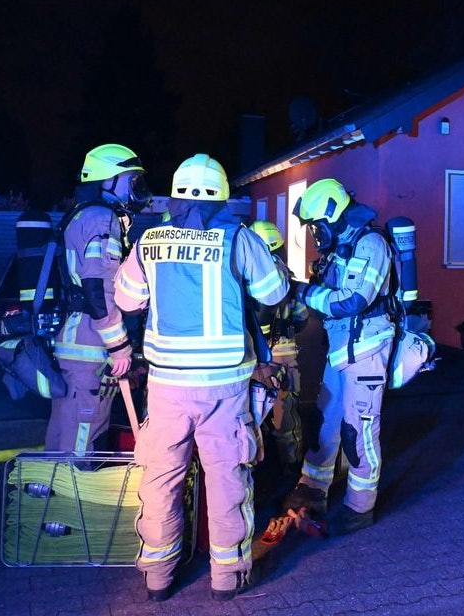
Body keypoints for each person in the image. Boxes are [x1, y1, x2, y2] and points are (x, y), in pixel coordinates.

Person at [114, 154, 287, 602]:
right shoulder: (239, 239)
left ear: (175, 194)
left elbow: (127, 300)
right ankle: (227, 578)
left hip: (168, 388)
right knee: (227, 479)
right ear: (223, 195)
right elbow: (274, 293)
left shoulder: (150, 241)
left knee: (160, 480)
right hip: (225, 388)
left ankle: (157, 576)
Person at [282, 178, 395, 535]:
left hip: (367, 351)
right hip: (341, 350)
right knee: (325, 421)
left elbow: (352, 301)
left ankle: (361, 507)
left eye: (317, 225)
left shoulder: (370, 243)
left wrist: (302, 291)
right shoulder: (340, 248)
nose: (316, 233)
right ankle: (313, 488)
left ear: (333, 213)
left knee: (358, 431)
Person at [45, 143, 151, 454]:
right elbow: (99, 288)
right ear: (108, 182)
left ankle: (45, 493)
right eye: (131, 180)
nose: (137, 189)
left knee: (64, 425)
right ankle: (72, 492)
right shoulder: (102, 219)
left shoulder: (83, 215)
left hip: (77, 341)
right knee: (83, 434)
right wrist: (118, 346)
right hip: (90, 346)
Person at [248, 219, 310, 491]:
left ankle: (255, 467)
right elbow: (301, 317)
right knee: (285, 413)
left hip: (253, 355)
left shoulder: (247, 273)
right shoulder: (285, 276)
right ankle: (291, 468)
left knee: (250, 410)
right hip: (284, 352)